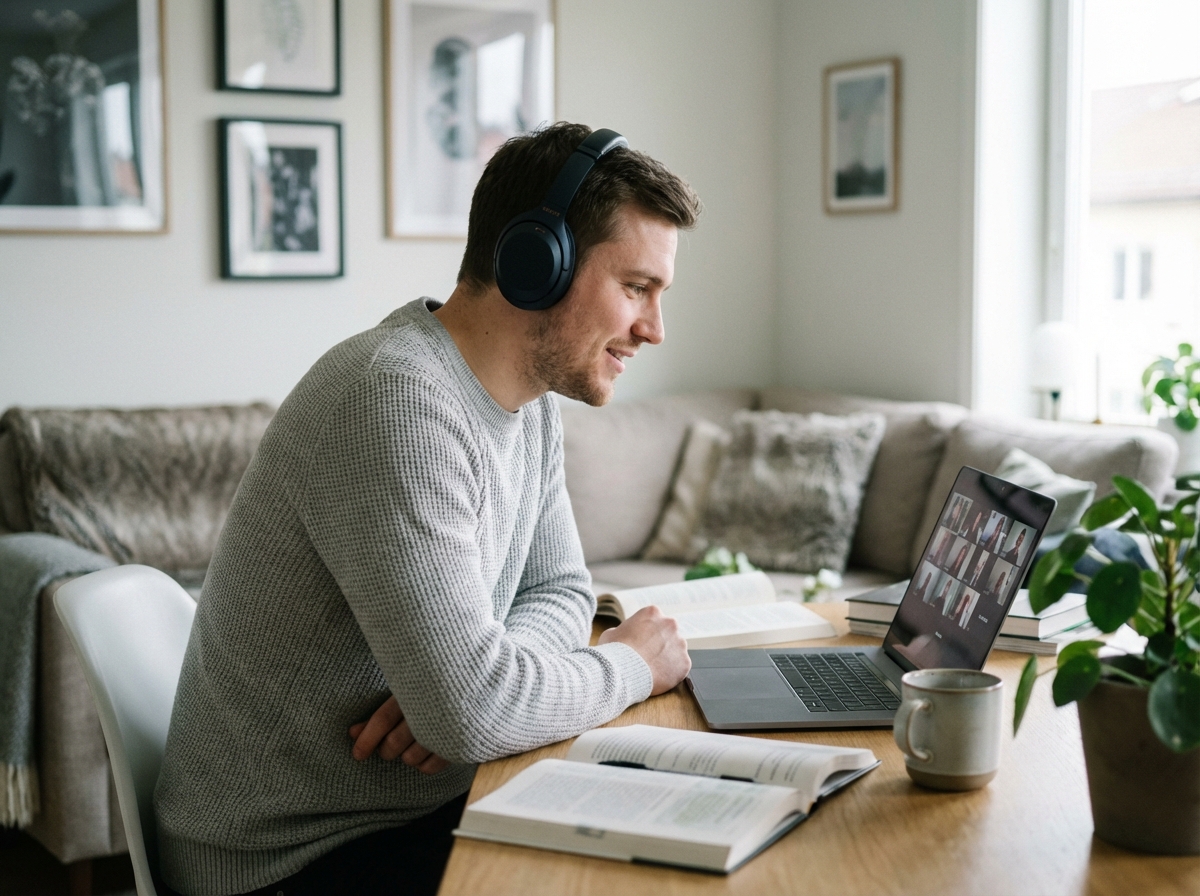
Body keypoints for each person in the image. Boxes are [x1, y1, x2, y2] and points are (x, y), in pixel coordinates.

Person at [153, 123, 702, 896]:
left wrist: (474, 687)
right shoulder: (394, 400)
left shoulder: (530, 403)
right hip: (286, 861)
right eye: (636, 287)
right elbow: (475, 713)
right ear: (535, 263)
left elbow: (559, 592)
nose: (654, 328)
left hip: (421, 808)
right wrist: (630, 666)